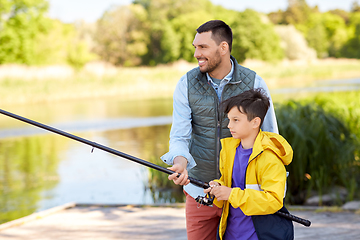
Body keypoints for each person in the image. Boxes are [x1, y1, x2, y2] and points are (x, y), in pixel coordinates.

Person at [160, 20, 278, 240]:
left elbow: (270, 138)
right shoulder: (185, 84)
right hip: (199, 190)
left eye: (203, 47)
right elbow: (180, 135)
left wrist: (270, 187)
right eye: (195, 47)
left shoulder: (254, 82)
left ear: (223, 48)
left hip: (241, 194)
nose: (196, 53)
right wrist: (180, 163)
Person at [204, 89, 294, 240]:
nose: (229, 125)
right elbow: (230, 184)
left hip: (258, 235)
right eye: (229, 119)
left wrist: (231, 194)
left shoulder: (270, 158)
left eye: (236, 120)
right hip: (231, 234)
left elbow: (274, 200)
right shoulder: (229, 151)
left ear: (255, 122)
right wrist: (218, 186)